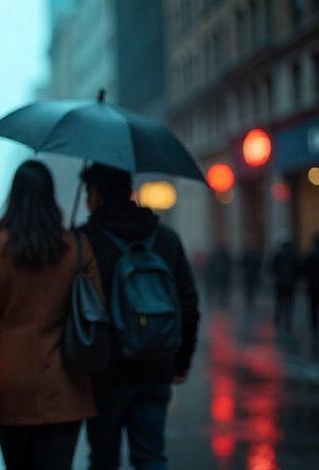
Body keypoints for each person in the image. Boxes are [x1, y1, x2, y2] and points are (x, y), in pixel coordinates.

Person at [0, 160, 103, 469]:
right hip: (65, 384)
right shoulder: (77, 248)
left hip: (7, 385)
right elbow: (96, 309)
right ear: (51, 196)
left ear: (12, 197)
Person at [78, 164, 200, 470]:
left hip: (104, 373)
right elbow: (188, 304)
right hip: (156, 365)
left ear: (96, 195)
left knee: (103, 459)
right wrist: (181, 360)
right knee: (151, 457)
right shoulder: (165, 239)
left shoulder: (84, 242)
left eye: (88, 193)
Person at [271, 240, 299, 331]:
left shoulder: (278, 255)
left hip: (280, 282)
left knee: (280, 301)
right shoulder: (294, 255)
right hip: (291, 283)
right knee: (289, 302)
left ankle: (278, 319)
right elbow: (299, 268)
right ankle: (287, 321)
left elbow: (272, 267)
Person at [206, 242, 233, 307]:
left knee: (223, 290)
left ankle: (222, 302)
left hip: (223, 276)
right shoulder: (214, 255)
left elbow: (229, 265)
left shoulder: (224, 254)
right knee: (220, 290)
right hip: (218, 276)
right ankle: (220, 302)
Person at [240, 241, 263, 309]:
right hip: (254, 274)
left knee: (248, 289)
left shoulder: (246, 254)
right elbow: (259, 264)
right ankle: (252, 300)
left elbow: (242, 264)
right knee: (253, 288)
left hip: (248, 274)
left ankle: (249, 301)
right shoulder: (256, 254)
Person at [304, 235, 319, 331]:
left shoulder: (310, 254)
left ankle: (314, 323)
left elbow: (304, 269)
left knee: (312, 305)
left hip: (312, 284)